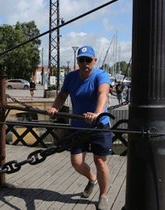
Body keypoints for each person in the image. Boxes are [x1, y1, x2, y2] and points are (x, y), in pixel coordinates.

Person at [47, 46, 112, 210]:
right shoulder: (71, 77)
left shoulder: (101, 75)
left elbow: (103, 94)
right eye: (81, 60)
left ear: (94, 60)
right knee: (76, 162)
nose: (84, 64)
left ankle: (103, 196)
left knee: (100, 161)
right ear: (77, 61)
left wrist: (97, 114)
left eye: (88, 60)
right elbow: (62, 96)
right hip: (78, 125)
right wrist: (55, 107)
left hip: (99, 125)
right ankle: (92, 179)